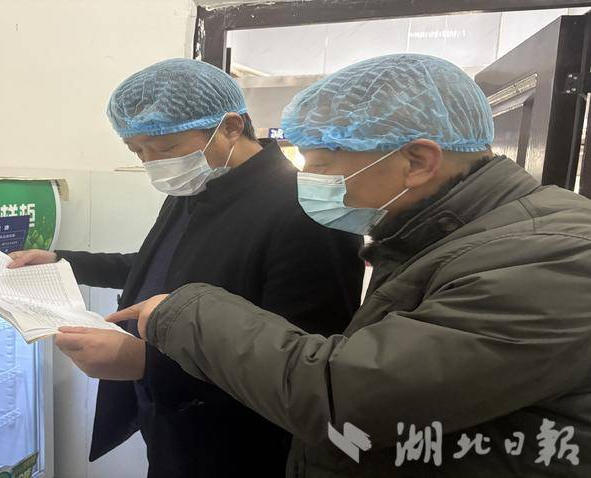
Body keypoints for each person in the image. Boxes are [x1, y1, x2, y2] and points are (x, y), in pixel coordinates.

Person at [112, 54, 591, 476]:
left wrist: (184, 312)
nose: (308, 180)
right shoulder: (431, 235)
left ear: (418, 161)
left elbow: (348, 394)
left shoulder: (552, 257)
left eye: (322, 165)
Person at [9, 58, 364, 477]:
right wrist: (64, 261)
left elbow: (303, 373)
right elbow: (160, 266)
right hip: (171, 424)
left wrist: (147, 364)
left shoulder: (305, 214)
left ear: (230, 127)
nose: (152, 163)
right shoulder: (197, 186)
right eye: (137, 151)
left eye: (164, 149)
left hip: (241, 447)